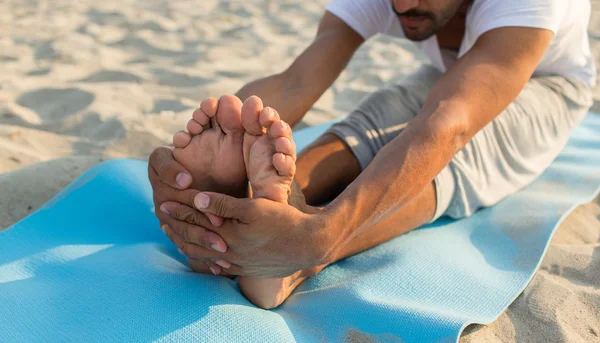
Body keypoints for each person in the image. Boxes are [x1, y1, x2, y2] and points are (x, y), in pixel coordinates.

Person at [149, 0, 595, 309]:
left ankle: (292, 269)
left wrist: (322, 236)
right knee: (370, 122)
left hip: (548, 84)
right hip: (449, 73)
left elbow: (448, 124)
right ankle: (252, 208)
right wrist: (236, 132)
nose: (402, 5)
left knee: (456, 152)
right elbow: (297, 81)